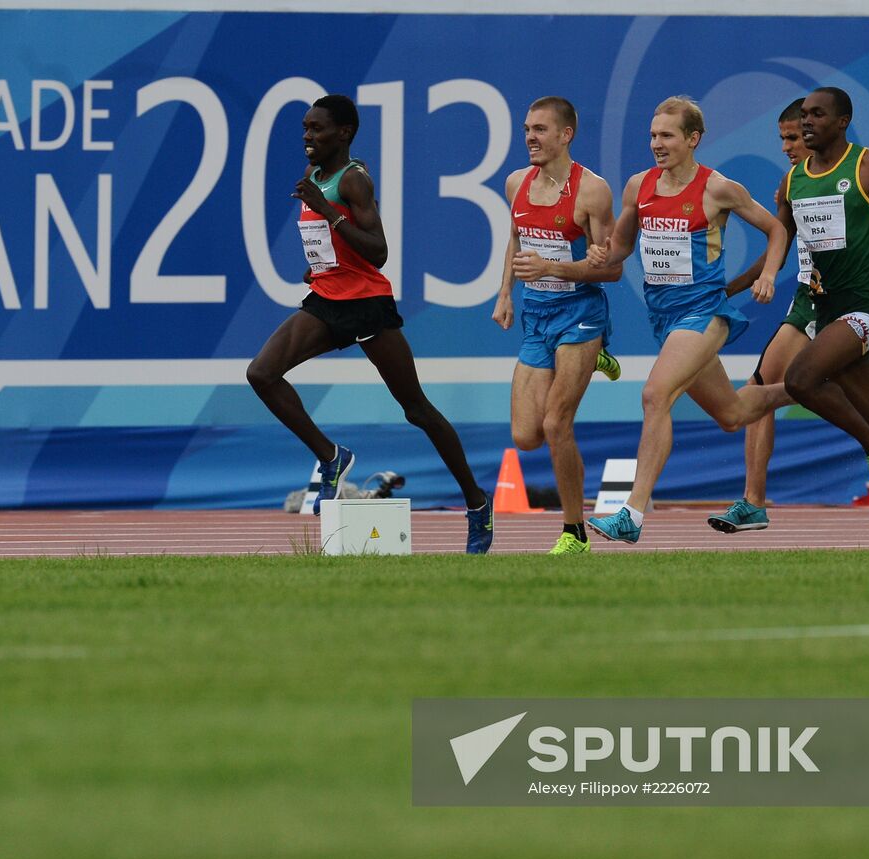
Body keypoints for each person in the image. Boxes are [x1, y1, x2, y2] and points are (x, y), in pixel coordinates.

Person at [246, 94, 494, 553]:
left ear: (344, 133)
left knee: (416, 409)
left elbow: (377, 251)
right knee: (261, 373)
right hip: (326, 299)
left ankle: (477, 504)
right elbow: (333, 245)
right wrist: (319, 265)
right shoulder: (313, 177)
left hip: (367, 304)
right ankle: (331, 456)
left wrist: (327, 209)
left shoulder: (353, 180)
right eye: (304, 128)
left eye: (317, 129)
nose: (307, 137)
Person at [711, 100, 869, 532]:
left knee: (791, 384)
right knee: (868, 407)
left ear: (838, 124)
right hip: (815, 303)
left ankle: (760, 497)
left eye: (797, 133)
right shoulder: (792, 184)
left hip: (859, 306)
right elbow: (779, 243)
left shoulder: (867, 170)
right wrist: (730, 288)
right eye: (788, 135)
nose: (793, 142)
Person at [583, 96, 791, 545]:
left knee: (656, 395)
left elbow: (777, 229)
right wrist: (602, 253)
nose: (656, 144)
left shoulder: (718, 188)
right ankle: (814, 386)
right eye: (653, 135)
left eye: (667, 136)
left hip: (705, 313)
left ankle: (631, 515)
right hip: (666, 318)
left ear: (693, 139)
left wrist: (768, 274)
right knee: (733, 415)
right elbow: (619, 248)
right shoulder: (639, 186)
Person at [491, 96, 623, 555]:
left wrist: (552, 268)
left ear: (566, 134)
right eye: (527, 128)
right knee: (525, 435)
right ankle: (596, 360)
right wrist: (505, 291)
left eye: (540, 129)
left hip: (581, 316)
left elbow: (611, 271)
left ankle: (574, 532)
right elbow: (515, 238)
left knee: (556, 423)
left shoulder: (592, 191)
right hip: (536, 317)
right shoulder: (515, 183)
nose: (530, 137)